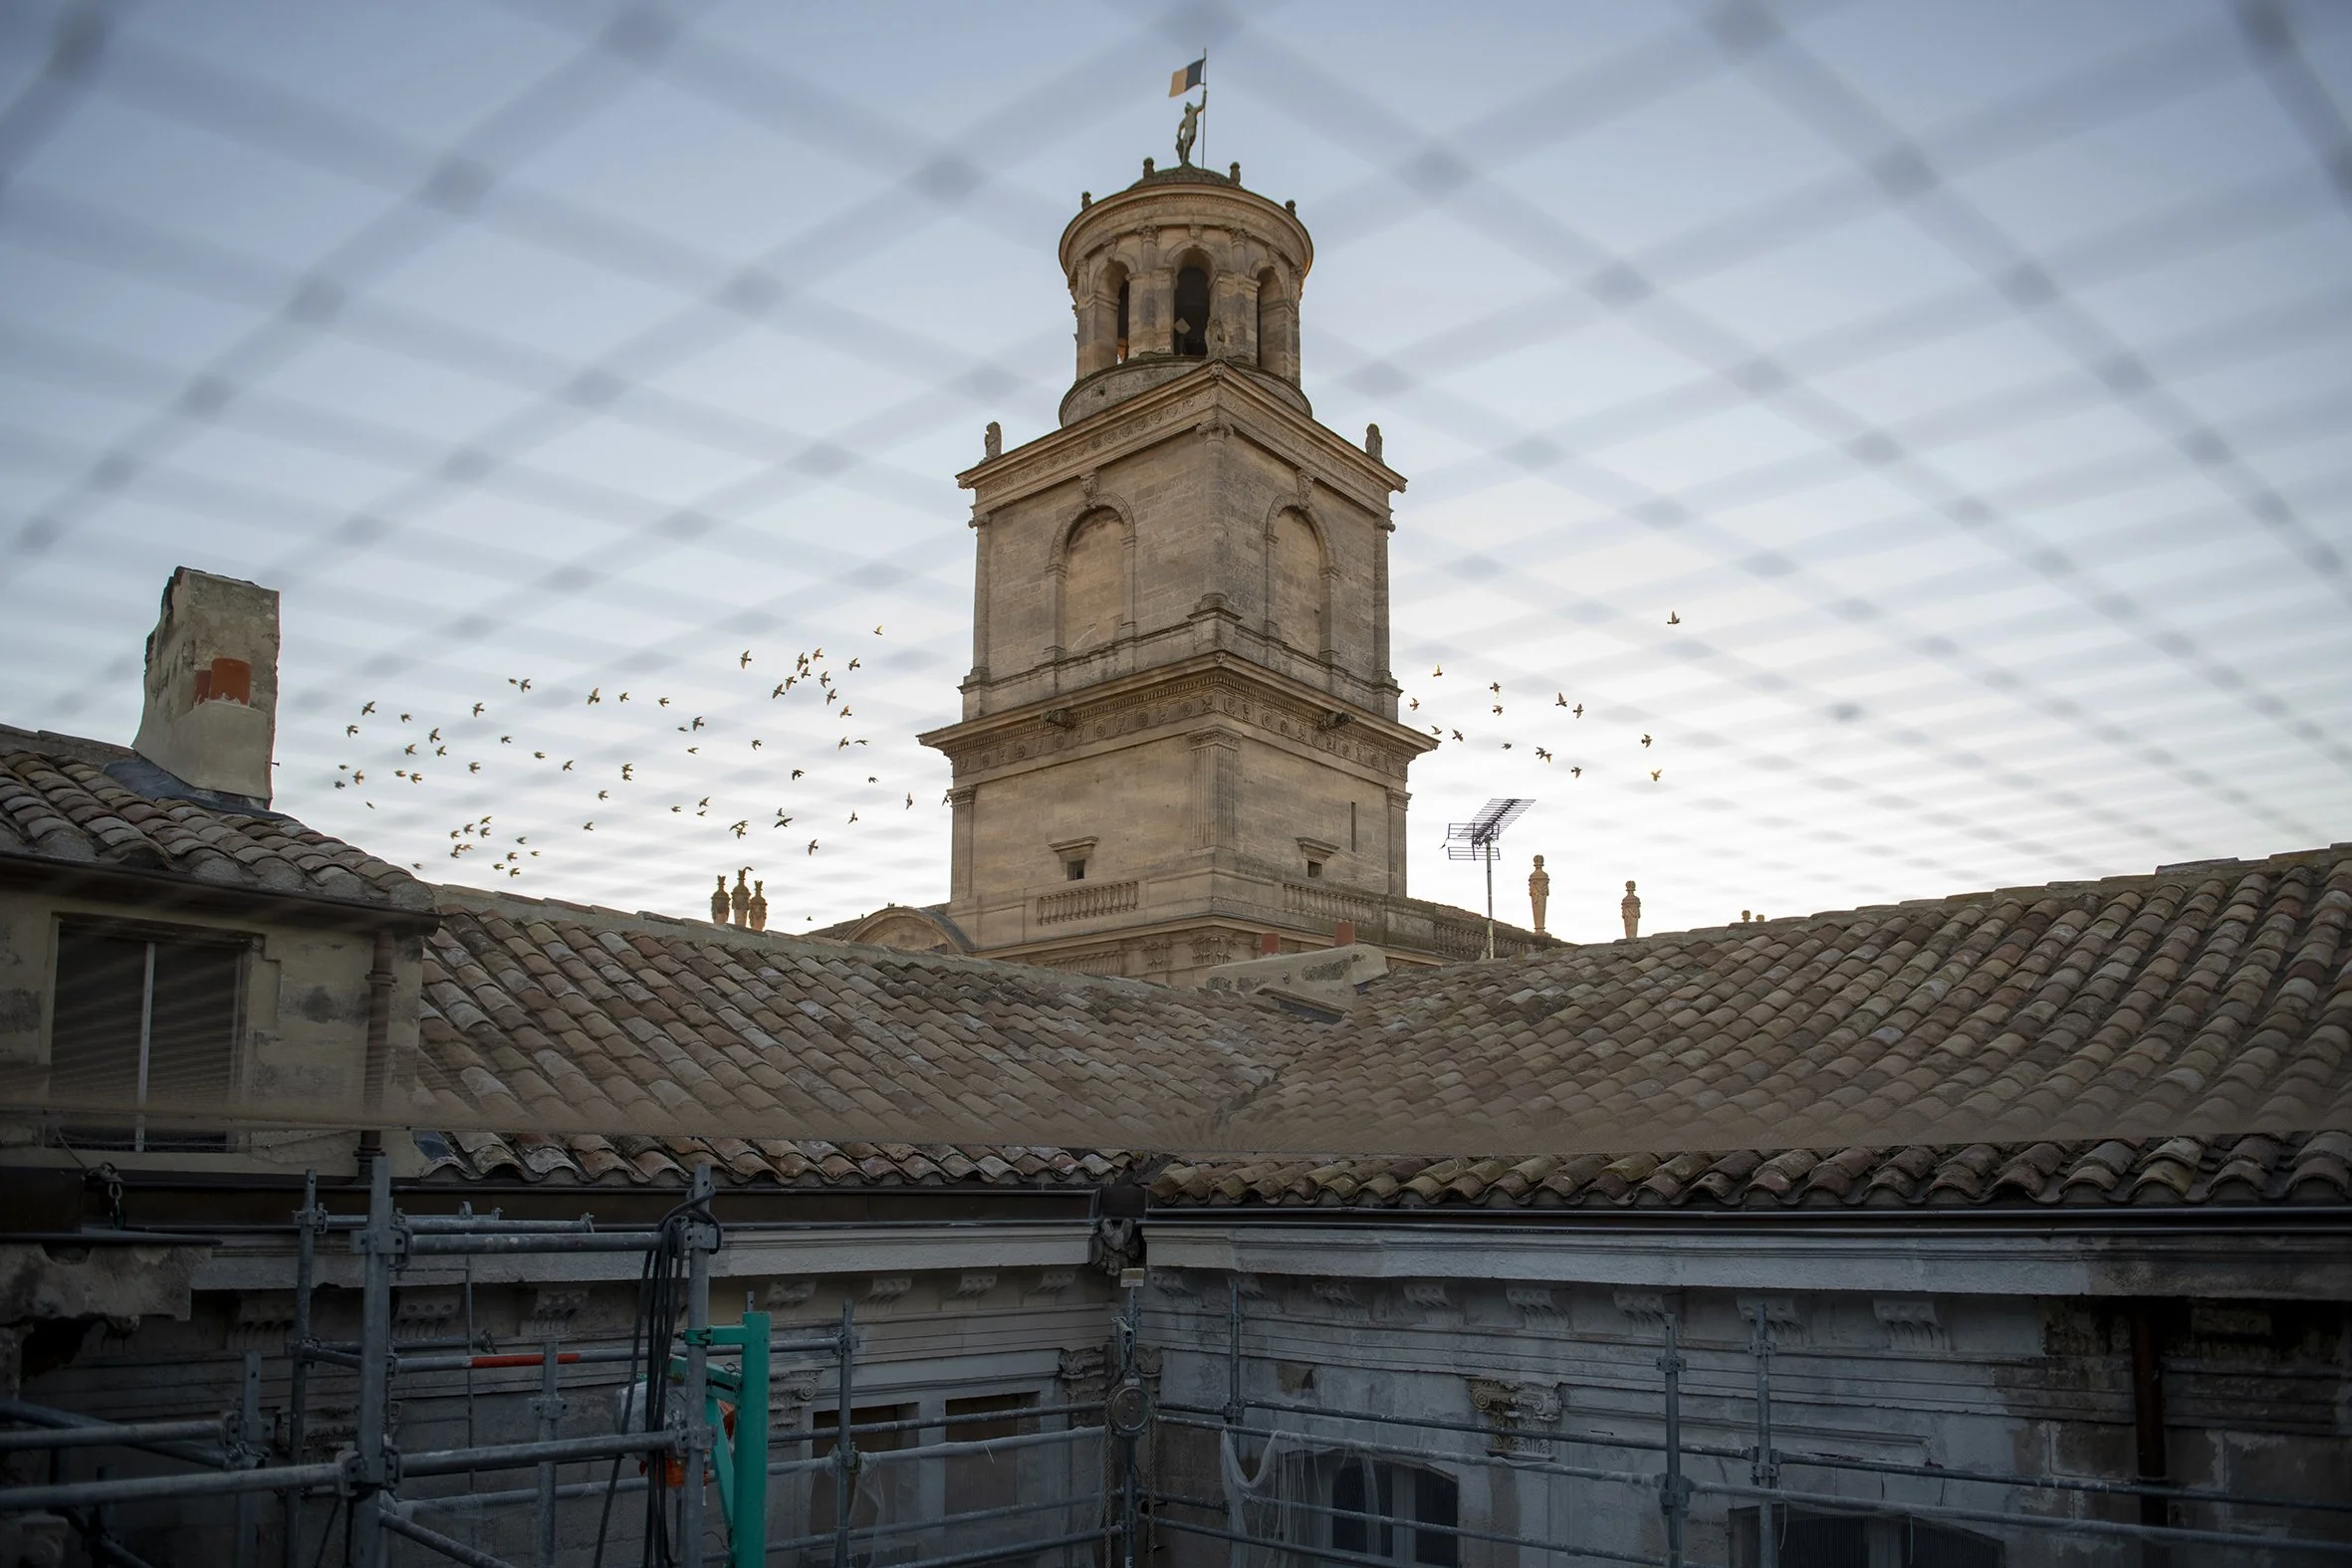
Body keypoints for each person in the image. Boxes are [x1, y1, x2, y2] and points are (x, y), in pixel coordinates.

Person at [1528, 854, 1551, 935]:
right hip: (1537, 895)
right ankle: (1539, 927)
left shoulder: (1534, 876)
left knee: (1539, 906)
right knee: (1539, 906)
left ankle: (1540, 927)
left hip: (1538, 895)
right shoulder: (1543, 876)